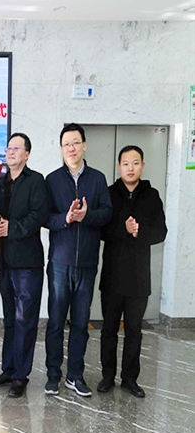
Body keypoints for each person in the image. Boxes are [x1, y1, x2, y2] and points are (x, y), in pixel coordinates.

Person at [44, 123, 112, 397]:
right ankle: (53, 375)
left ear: (84, 145)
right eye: (66, 144)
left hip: (87, 263)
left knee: (81, 323)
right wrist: (66, 218)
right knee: (55, 322)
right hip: (59, 263)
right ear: (61, 149)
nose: (71, 148)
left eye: (75, 143)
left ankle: (75, 375)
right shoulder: (52, 180)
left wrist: (87, 215)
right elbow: (45, 217)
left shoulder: (97, 179)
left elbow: (107, 213)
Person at [98, 145, 167, 398]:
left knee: (134, 331)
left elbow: (161, 231)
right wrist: (123, 229)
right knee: (108, 330)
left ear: (143, 166)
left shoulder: (152, 195)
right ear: (119, 167)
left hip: (139, 278)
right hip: (112, 276)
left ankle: (129, 378)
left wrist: (139, 232)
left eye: (135, 163)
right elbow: (100, 229)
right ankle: (107, 376)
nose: (130, 168)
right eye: (126, 163)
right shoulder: (108, 194)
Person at [0, 133, 48, 398]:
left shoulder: (36, 181)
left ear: (27, 154)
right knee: (10, 319)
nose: (11, 152)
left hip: (27, 264)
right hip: (4, 261)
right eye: (9, 147)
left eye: (17, 148)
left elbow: (39, 216)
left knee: (26, 320)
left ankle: (21, 376)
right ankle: (9, 369)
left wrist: (12, 227)